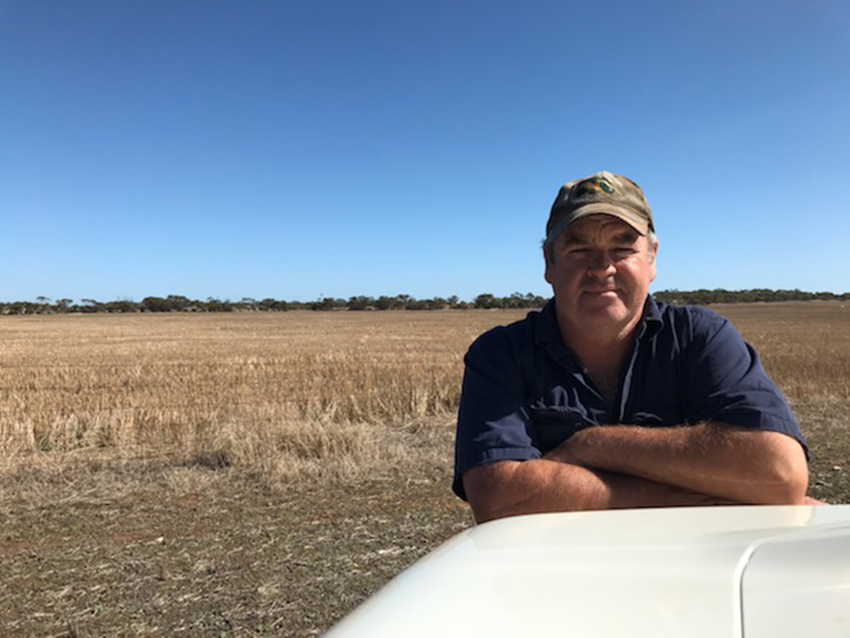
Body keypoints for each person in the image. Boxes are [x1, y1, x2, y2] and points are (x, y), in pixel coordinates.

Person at [453, 171, 811, 524]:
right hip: (556, 573)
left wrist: (590, 445)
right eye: (579, 248)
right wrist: (713, 497)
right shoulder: (501, 354)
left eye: (623, 247)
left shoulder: (700, 337)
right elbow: (498, 497)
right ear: (549, 262)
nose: (602, 267)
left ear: (652, 258)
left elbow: (779, 472)